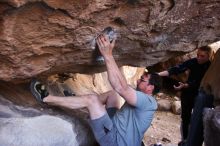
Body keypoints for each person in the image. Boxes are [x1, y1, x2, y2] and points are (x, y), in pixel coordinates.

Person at [30, 34, 162, 146]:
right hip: (114, 127)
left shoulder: (148, 102)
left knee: (92, 100)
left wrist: (108, 55)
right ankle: (78, 101)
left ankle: (47, 98)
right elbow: (120, 88)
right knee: (113, 95)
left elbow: (122, 87)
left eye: (143, 80)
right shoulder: (145, 98)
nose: (138, 80)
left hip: (114, 140)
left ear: (151, 88)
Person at [157, 46, 213, 146]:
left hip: (200, 95)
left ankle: (193, 141)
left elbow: (202, 82)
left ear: (208, 56)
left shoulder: (211, 67)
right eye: (198, 55)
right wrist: (158, 74)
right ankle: (185, 140)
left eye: (202, 56)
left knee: (198, 120)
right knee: (185, 117)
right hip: (188, 93)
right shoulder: (194, 61)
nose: (199, 58)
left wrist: (187, 85)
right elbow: (177, 69)